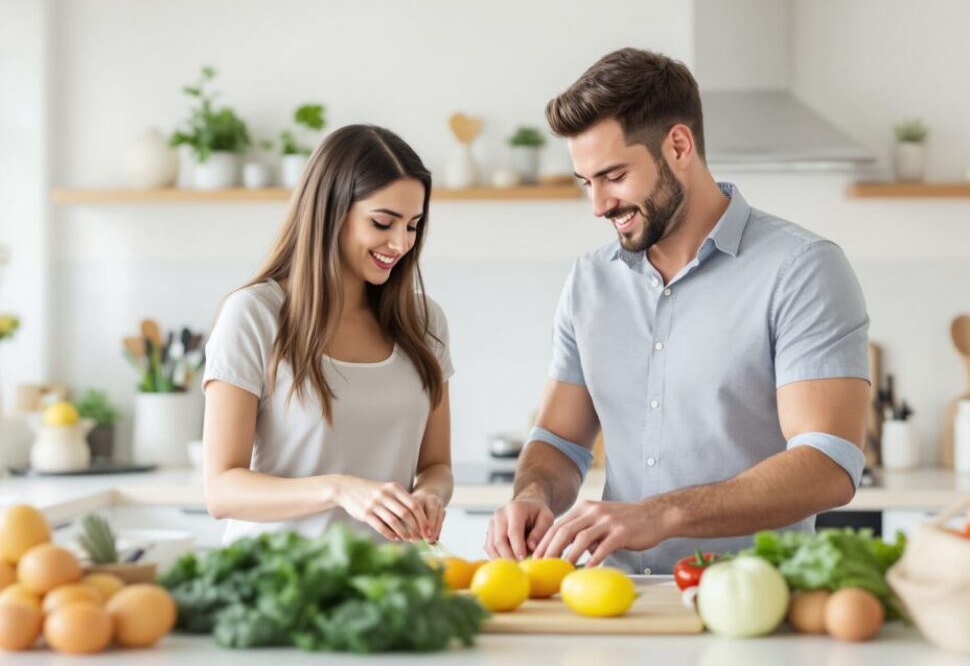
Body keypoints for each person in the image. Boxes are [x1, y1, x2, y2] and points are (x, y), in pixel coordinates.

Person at [486, 48, 870, 574]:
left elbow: (828, 463)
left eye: (614, 176)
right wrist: (533, 495)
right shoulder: (590, 281)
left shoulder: (801, 270)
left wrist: (664, 514)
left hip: (755, 600)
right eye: (587, 183)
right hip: (618, 601)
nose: (598, 205)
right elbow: (559, 441)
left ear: (679, 146)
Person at [201, 124, 453, 546]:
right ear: (330, 212)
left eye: (413, 225)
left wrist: (430, 495)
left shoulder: (424, 321)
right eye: (383, 222)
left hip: (386, 585)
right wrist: (338, 489)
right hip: (276, 584)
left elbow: (437, 465)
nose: (401, 243)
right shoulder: (255, 315)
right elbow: (222, 490)